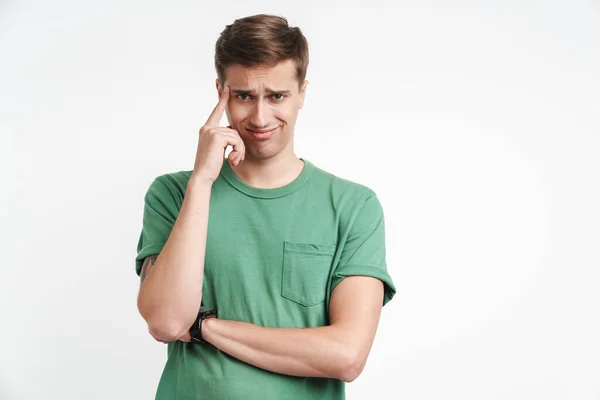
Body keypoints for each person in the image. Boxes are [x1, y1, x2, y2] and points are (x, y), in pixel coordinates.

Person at [134, 13, 396, 400]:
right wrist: (202, 182)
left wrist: (206, 327)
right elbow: (168, 322)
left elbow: (346, 355)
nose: (259, 117)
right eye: (243, 96)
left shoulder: (352, 207)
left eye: (277, 96)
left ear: (302, 93)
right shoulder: (173, 194)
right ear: (220, 91)